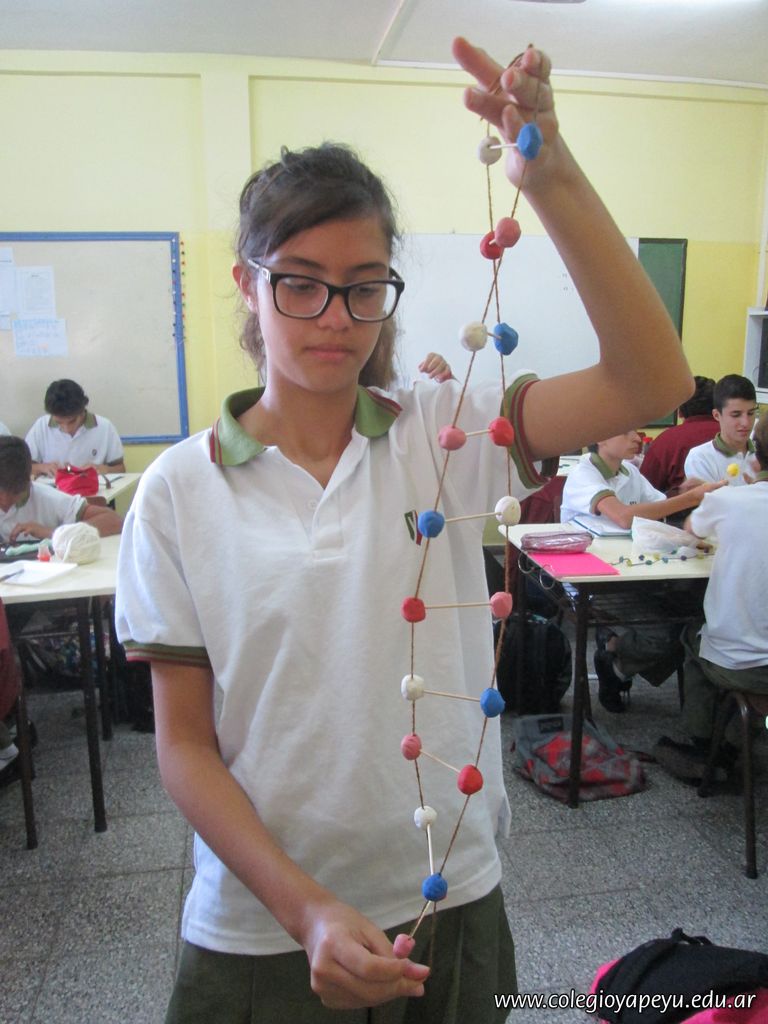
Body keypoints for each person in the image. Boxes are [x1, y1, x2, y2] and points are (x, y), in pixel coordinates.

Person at [115, 36, 694, 1023]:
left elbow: (652, 381)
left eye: (365, 283)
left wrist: (550, 172)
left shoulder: (444, 433)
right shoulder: (177, 490)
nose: (335, 315)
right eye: (300, 280)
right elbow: (185, 745)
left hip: (446, 893)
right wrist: (305, 912)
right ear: (248, 283)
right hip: (261, 924)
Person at [560, 430, 721, 712]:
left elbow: (658, 506)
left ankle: (617, 659)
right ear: (602, 437)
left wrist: (683, 493)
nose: (637, 437)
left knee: (691, 623)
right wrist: (690, 499)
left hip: (635, 573)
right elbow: (623, 517)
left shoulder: (629, 472)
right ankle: (616, 659)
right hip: (596, 582)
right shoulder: (583, 474)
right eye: (627, 431)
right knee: (665, 635)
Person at [653, 413, 768, 784]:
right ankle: (737, 736)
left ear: (755, 455)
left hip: (742, 661)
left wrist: (733, 495)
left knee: (693, 637)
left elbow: (692, 528)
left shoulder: (731, 500)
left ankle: (708, 746)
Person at [0, 436, 122, 542]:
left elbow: (114, 521)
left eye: (15, 492)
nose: (4, 501)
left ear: (29, 481)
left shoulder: (48, 498)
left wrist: (53, 533)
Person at [25, 379, 126, 478]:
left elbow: (121, 468)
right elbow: (23, 467)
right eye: (59, 422)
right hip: (51, 487)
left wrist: (105, 469)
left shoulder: (105, 427)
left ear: (82, 410)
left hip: (93, 487)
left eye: (72, 421)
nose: (67, 429)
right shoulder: (41, 426)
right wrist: (42, 467)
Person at [640, 375, 717, 496]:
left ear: (679, 412)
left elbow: (644, 489)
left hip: (682, 506)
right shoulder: (732, 436)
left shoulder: (666, 441)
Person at [683, 373, 759, 486]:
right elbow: (709, 497)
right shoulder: (700, 458)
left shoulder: (763, 453)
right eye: (736, 415)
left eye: (751, 413)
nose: (746, 423)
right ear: (717, 415)